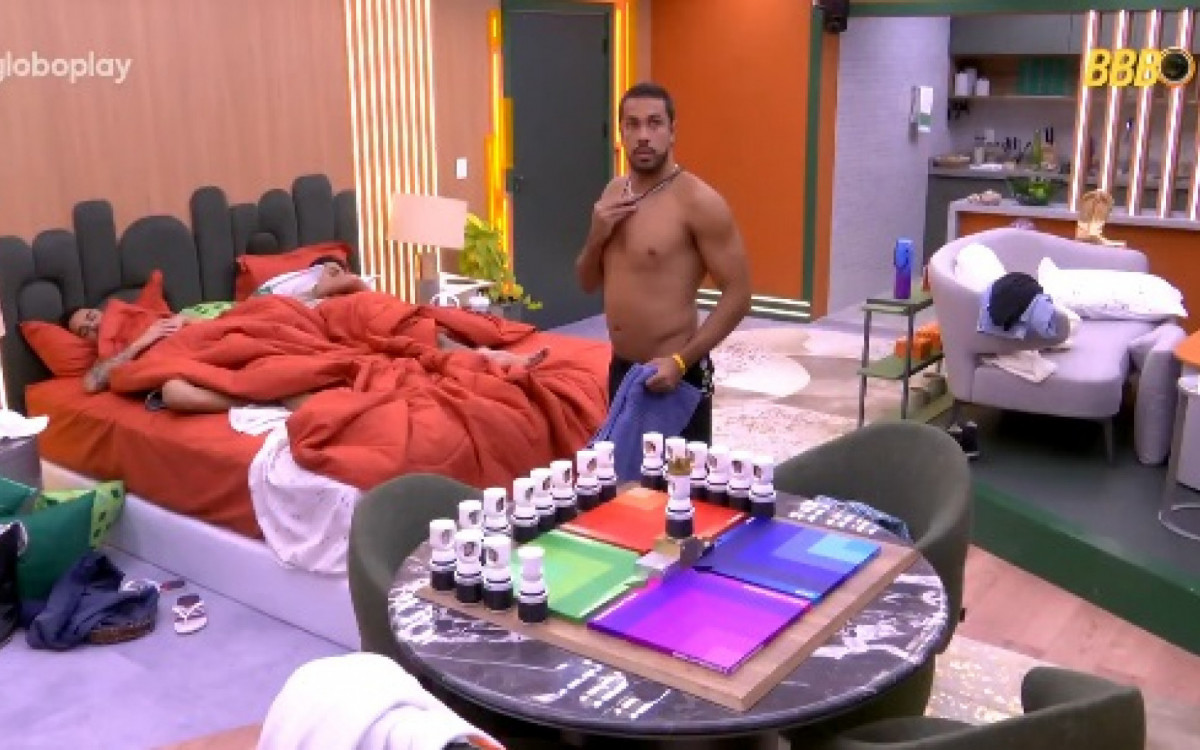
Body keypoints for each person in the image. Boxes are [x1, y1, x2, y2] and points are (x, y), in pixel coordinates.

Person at [575, 82, 752, 443]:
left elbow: (739, 295)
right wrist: (596, 236)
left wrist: (681, 361)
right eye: (633, 124)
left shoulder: (698, 202)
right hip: (622, 369)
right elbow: (587, 283)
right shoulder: (613, 193)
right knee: (625, 475)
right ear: (621, 132)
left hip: (675, 374)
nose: (643, 135)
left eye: (654, 123)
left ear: (672, 131)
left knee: (680, 478)